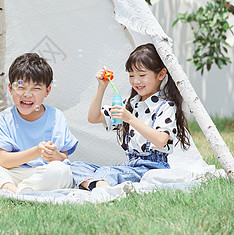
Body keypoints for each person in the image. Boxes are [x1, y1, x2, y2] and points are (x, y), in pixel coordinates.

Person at [71, 43, 190, 190]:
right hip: (130, 166)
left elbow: (160, 140)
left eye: (142, 75)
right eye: (131, 75)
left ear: (161, 74)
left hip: (152, 169)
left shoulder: (166, 106)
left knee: (108, 172)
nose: (136, 81)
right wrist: (101, 87)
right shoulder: (130, 104)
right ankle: (101, 186)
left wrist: (130, 119)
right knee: (75, 167)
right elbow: (94, 117)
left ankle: (102, 188)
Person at [0, 53, 78, 194]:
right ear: (10, 89)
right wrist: (36, 151)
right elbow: (2, 160)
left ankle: (14, 190)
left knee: (62, 171)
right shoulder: (5, 118)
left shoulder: (57, 116)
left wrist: (55, 154)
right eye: (21, 87)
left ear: (47, 91)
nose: (27, 94)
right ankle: (17, 190)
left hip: (43, 173)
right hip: (12, 173)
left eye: (36, 89)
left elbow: (63, 159)